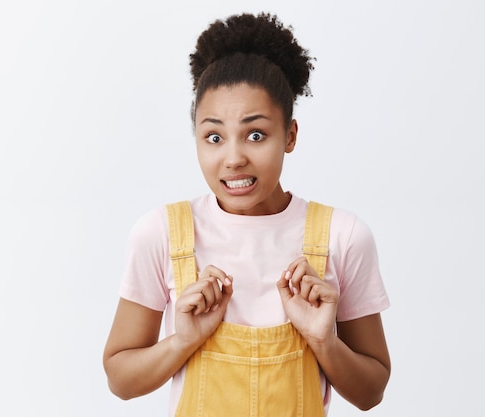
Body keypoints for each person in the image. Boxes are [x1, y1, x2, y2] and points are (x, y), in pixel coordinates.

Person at [103, 12, 391, 416]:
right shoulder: (162, 233)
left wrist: (325, 341)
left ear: (290, 135)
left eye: (256, 135)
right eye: (214, 137)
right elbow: (120, 379)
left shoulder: (343, 236)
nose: (233, 159)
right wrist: (182, 341)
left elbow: (371, 392)